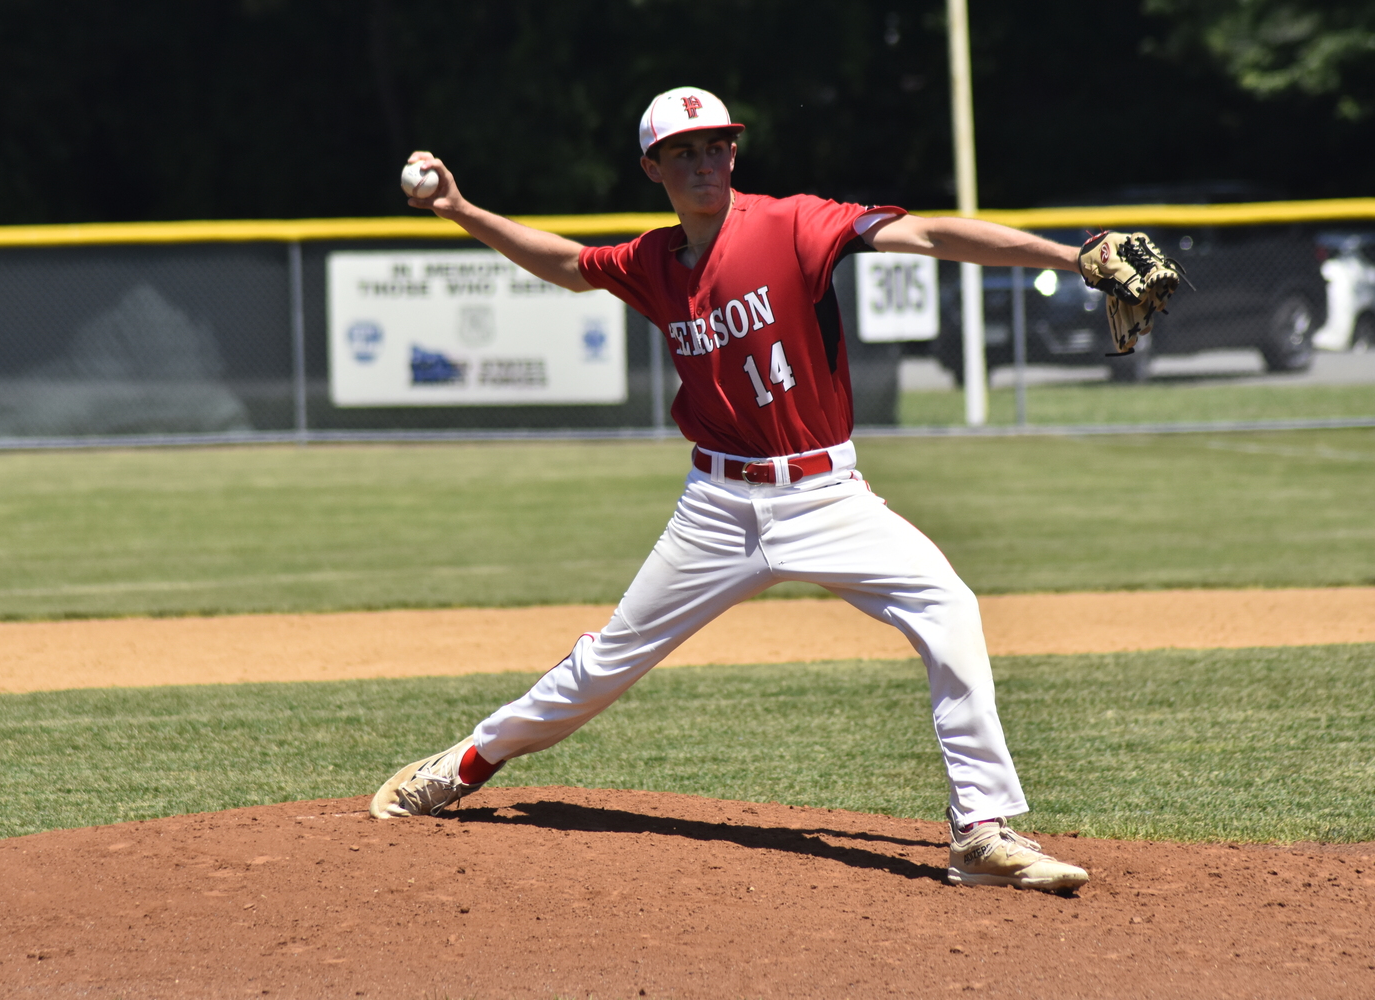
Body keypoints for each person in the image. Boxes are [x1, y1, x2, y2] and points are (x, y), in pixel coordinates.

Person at [372, 86, 1089, 894]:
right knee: (608, 661)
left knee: (949, 607)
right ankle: (468, 761)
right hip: (715, 507)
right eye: (684, 151)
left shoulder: (792, 225)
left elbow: (927, 232)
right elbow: (570, 266)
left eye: (716, 145)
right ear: (653, 166)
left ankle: (979, 832)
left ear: (735, 154)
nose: (705, 161)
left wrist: (1070, 258)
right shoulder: (652, 262)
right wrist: (461, 209)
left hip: (826, 495)